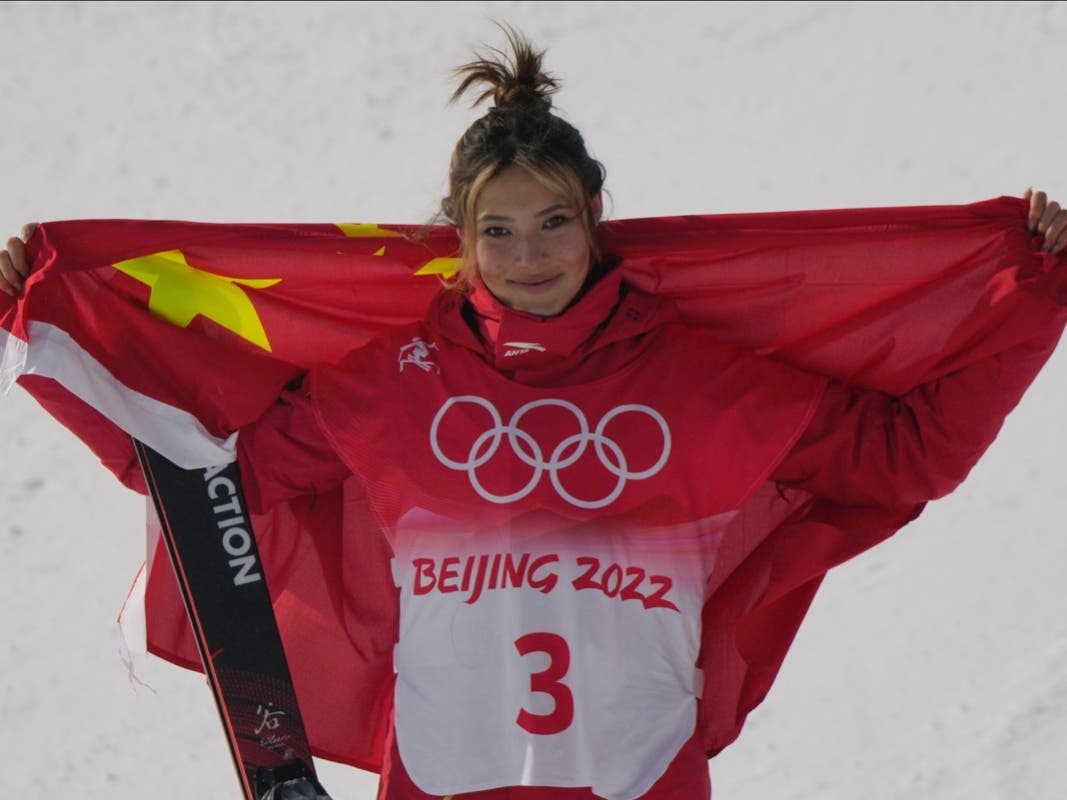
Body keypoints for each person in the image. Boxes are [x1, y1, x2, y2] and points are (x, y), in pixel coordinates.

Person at [3, 25, 1067, 800]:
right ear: (458, 240)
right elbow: (210, 492)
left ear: (595, 218)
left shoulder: (698, 379)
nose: (529, 256)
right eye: (499, 231)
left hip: (637, 771)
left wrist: (1034, 297)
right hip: (440, 770)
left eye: (552, 221)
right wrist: (45, 341)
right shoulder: (388, 383)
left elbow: (906, 456)